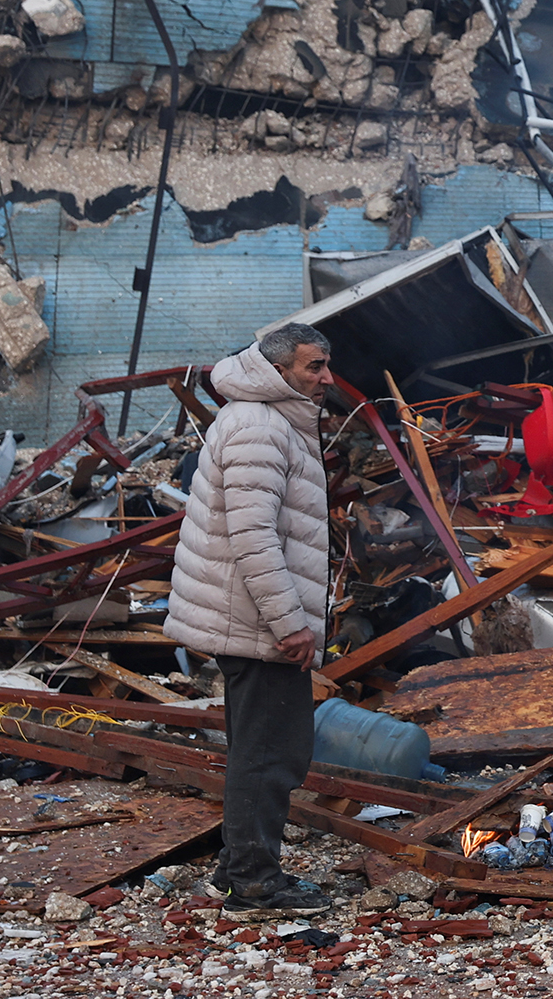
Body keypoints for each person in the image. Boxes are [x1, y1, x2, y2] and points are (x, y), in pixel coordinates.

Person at [164, 322, 336, 917]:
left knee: (258, 749)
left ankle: (235, 869)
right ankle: (254, 883)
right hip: (256, 622)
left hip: (248, 617)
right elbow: (254, 539)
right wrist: (289, 623)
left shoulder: (268, 421)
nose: (326, 378)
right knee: (271, 753)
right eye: (314, 366)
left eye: (325, 366)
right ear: (279, 368)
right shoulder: (259, 428)